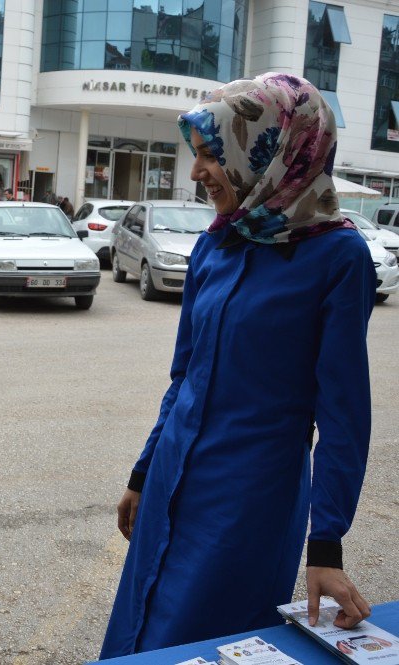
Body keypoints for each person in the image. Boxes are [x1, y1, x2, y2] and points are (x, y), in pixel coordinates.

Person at [100, 73, 376, 658]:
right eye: (197, 155)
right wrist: (143, 471)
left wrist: (325, 546)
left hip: (248, 501)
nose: (197, 172)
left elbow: (345, 418)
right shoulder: (217, 243)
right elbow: (185, 377)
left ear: (272, 151)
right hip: (174, 476)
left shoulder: (337, 257)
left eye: (211, 155)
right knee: (138, 634)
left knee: (199, 639)